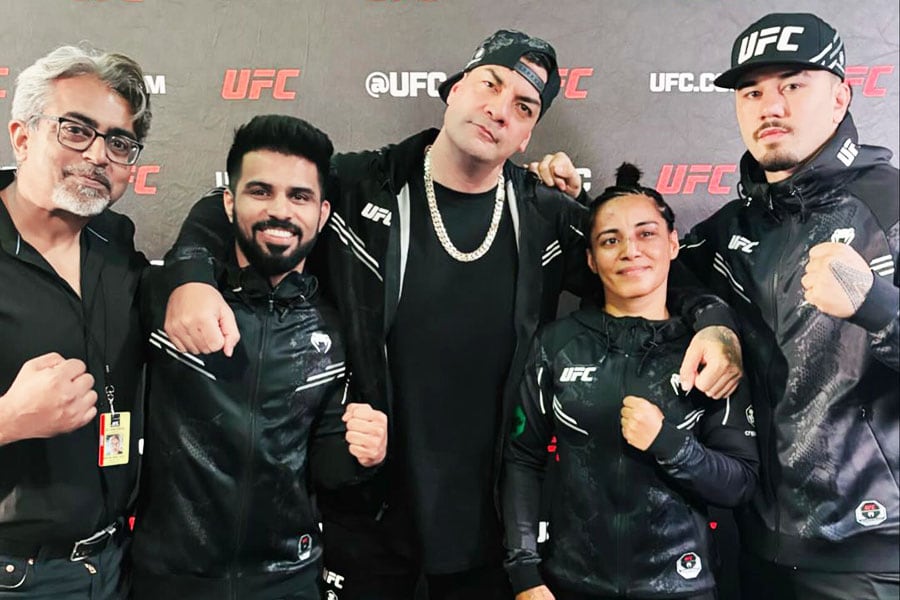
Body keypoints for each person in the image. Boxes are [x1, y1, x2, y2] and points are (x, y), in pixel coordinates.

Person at [161, 30, 743, 600]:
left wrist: (714, 321)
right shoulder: (363, 182)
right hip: (368, 514)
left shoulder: (547, 214)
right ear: (455, 87)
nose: (498, 109)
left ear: (525, 139)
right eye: (489, 84)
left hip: (489, 527)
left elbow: (643, 272)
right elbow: (239, 203)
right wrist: (189, 274)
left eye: (522, 107)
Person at [674, 12, 898, 600]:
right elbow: (659, 274)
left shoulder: (893, 208)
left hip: (871, 552)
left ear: (841, 96)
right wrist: (713, 319)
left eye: (792, 85)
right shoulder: (733, 227)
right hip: (757, 545)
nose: (769, 105)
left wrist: (879, 307)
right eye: (752, 92)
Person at [129, 115, 388, 600]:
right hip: (168, 581)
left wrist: (366, 453)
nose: (280, 211)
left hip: (288, 583)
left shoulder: (332, 327)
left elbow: (327, 470)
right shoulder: (165, 296)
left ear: (324, 212)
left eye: (299, 196)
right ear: (228, 202)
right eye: (260, 191)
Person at [502, 163, 759, 600]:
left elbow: (739, 481)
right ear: (590, 258)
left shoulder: (709, 351)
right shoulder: (558, 343)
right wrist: (524, 571)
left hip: (682, 588)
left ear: (673, 244)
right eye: (610, 240)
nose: (629, 250)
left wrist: (669, 442)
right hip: (572, 586)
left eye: (646, 233)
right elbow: (522, 459)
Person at [0, 45, 151, 597]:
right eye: (76, 130)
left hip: (116, 564)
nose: (98, 154)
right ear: (22, 136)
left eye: (119, 141)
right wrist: (8, 418)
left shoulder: (116, 241)